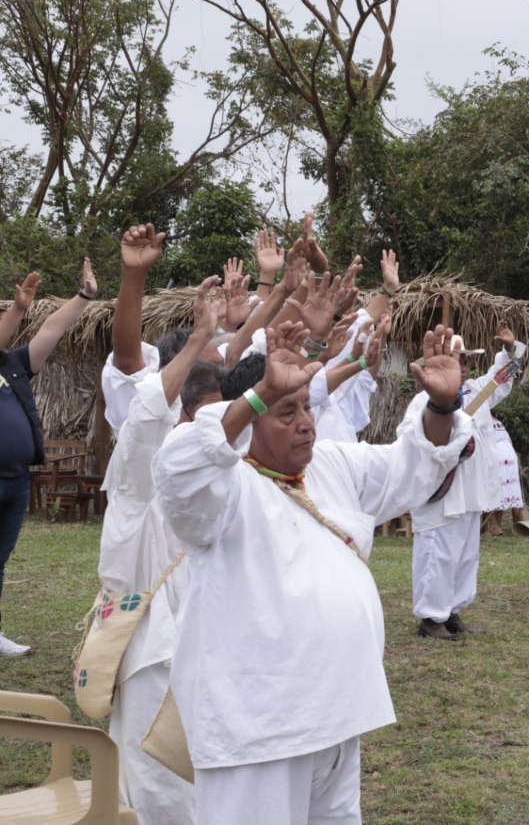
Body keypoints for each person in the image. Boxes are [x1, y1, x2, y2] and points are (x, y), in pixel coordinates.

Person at [152, 322, 473, 824]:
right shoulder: (222, 490)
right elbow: (179, 466)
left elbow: (410, 467)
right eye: (286, 412)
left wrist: (440, 405)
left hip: (336, 716)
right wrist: (259, 395)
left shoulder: (328, 464)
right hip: (259, 730)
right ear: (249, 420)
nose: (306, 423)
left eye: (306, 407)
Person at [99, 275, 225, 824]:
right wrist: (198, 339)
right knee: (158, 785)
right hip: (154, 651)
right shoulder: (140, 474)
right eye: (210, 419)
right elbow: (148, 408)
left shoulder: (213, 479)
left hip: (206, 643)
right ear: (184, 417)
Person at [0, 259, 97, 656]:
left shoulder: (13, 367)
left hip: (16, 481)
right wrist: (18, 310)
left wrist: (84, 296)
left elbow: (51, 330)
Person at [410, 326, 525, 640]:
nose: (462, 366)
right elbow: (413, 440)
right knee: (437, 551)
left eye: (465, 361)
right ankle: (430, 617)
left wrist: (511, 349)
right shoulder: (424, 400)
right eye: (456, 359)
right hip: (442, 489)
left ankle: (451, 609)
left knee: (465, 552)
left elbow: (503, 375)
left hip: (473, 487)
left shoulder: (477, 390)